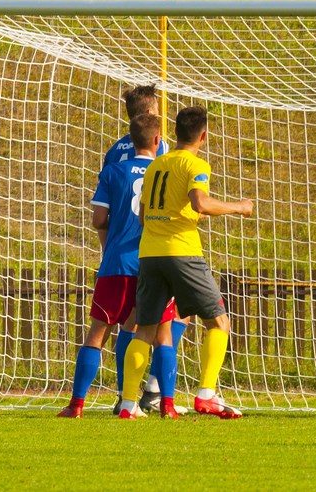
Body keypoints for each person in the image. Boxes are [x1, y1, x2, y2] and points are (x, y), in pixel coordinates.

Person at [117, 105, 253, 419]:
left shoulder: (156, 165)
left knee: (144, 331)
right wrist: (239, 207)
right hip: (182, 252)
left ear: (175, 133)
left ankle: (128, 404)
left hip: (150, 254)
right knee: (219, 322)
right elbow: (200, 203)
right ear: (203, 136)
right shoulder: (195, 164)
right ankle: (206, 395)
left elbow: (143, 216)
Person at [57, 113, 177, 418]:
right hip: (154, 261)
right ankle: (166, 405)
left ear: (130, 140)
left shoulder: (113, 171)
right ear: (158, 140)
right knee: (161, 333)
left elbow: (98, 219)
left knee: (98, 332)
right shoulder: (166, 171)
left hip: (117, 264)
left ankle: (76, 404)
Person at [106, 84, 190, 415]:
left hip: (120, 251)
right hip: (157, 245)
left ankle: (125, 394)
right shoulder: (161, 147)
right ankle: (155, 391)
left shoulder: (114, 152)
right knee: (174, 318)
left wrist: (108, 248)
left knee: (130, 322)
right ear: (151, 113)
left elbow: (103, 212)